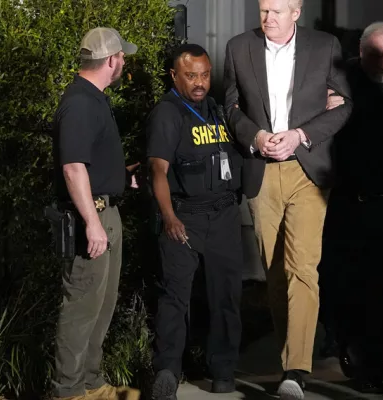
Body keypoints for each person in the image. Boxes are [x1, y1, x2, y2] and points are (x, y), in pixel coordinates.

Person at [223, 0, 352, 398]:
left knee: (303, 269)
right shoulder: (238, 47)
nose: (268, 18)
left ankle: (296, 370)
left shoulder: (324, 46)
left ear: (296, 12)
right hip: (261, 168)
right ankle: (288, 359)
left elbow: (344, 105)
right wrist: (256, 138)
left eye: (277, 11)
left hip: (306, 168)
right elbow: (230, 106)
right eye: (263, 10)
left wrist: (299, 135)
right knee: (274, 273)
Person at [318, 21, 383, 393]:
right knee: (340, 282)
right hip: (346, 202)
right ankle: (343, 343)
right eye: (372, 54)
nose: (379, 63)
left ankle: (371, 370)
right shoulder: (339, 80)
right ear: (359, 51)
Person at [147, 43, 244, 400]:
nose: (200, 82)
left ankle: (223, 371)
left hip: (223, 216)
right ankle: (167, 373)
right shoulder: (168, 113)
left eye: (204, 74)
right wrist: (169, 216)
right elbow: (158, 170)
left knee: (226, 295)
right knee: (175, 299)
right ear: (175, 76)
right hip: (184, 217)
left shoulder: (217, 109)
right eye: (191, 76)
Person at [51, 27, 139, 400]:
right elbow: (73, 167)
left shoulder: (95, 98)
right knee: (82, 307)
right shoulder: (81, 103)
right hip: (92, 219)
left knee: (101, 305)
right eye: (122, 58)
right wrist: (91, 223)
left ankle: (89, 382)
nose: (123, 63)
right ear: (111, 61)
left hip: (106, 211)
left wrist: (121, 178)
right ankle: (67, 391)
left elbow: (90, 163)